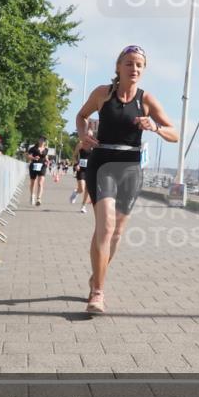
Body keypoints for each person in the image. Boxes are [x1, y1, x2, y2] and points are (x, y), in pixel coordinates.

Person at [75, 46, 177, 314]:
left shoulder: (146, 100)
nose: (135, 69)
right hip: (103, 164)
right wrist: (83, 135)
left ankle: (97, 274)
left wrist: (154, 127)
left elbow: (174, 133)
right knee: (106, 227)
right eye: (129, 63)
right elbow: (81, 116)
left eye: (140, 65)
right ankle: (97, 293)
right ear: (118, 67)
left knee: (117, 233)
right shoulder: (102, 94)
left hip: (130, 169)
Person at [70, 120, 98, 213]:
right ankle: (76, 192)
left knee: (88, 189)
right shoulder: (81, 144)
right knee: (82, 188)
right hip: (81, 168)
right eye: (87, 135)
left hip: (90, 169)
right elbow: (74, 156)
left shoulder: (94, 146)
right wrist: (76, 164)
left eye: (90, 136)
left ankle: (83, 206)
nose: (88, 137)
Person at [26, 136, 49, 206]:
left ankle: (39, 199)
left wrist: (47, 161)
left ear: (45, 142)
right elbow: (27, 156)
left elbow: (46, 157)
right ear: (38, 140)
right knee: (33, 182)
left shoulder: (46, 149)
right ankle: (32, 195)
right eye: (41, 139)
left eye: (44, 140)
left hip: (42, 166)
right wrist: (33, 157)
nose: (42, 141)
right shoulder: (33, 148)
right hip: (34, 166)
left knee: (40, 183)